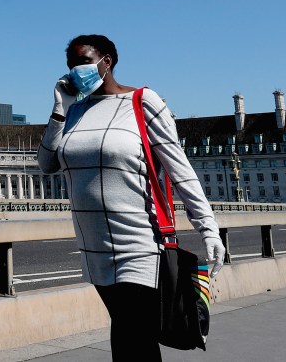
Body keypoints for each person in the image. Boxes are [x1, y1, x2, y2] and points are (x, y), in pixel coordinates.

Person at [37, 34, 226, 361]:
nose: (76, 70)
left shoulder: (142, 101)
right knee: (130, 338)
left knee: (131, 335)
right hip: (93, 250)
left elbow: (179, 169)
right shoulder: (74, 113)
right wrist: (58, 111)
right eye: (71, 65)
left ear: (106, 61)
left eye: (84, 60)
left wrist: (207, 227)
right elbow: (47, 163)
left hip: (139, 244)